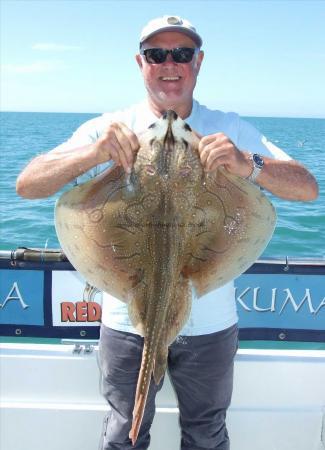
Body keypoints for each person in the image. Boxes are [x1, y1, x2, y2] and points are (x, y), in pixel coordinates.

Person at [16, 15, 318, 450]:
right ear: (141, 63)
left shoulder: (229, 128)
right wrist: (95, 153)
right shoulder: (109, 127)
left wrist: (246, 162)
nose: (170, 63)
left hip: (211, 325)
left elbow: (307, 188)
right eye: (157, 54)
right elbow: (28, 184)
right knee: (125, 431)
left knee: (206, 435)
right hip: (125, 321)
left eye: (182, 53)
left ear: (198, 62)